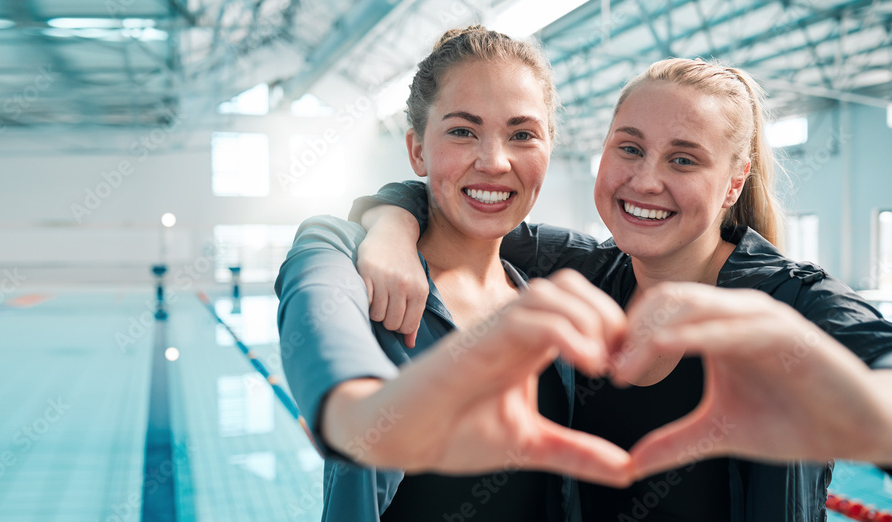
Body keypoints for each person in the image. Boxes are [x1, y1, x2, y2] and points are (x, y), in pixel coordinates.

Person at [350, 57, 892, 521]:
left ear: (733, 182)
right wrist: (392, 222)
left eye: (683, 159)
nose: (645, 180)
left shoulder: (791, 303)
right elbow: (466, 203)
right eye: (629, 149)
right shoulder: (585, 270)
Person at [274, 26, 635, 522]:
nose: (494, 161)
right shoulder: (346, 262)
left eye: (522, 134)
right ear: (417, 149)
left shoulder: (550, 288)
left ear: (549, 148)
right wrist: (362, 415)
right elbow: (331, 351)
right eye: (463, 131)